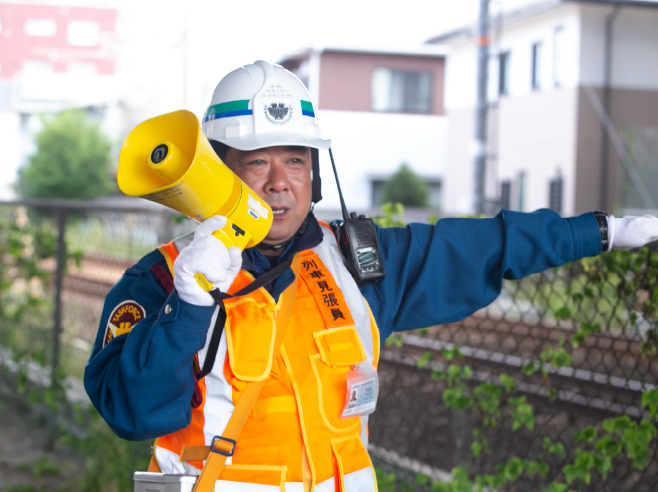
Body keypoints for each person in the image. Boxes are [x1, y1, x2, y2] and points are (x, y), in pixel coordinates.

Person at [84, 60, 658, 492]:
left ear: (316, 172)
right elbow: (129, 414)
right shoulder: (161, 280)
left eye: (297, 160)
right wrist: (189, 305)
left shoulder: (359, 264)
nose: (279, 182)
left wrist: (600, 231)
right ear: (217, 168)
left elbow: (486, 244)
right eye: (257, 161)